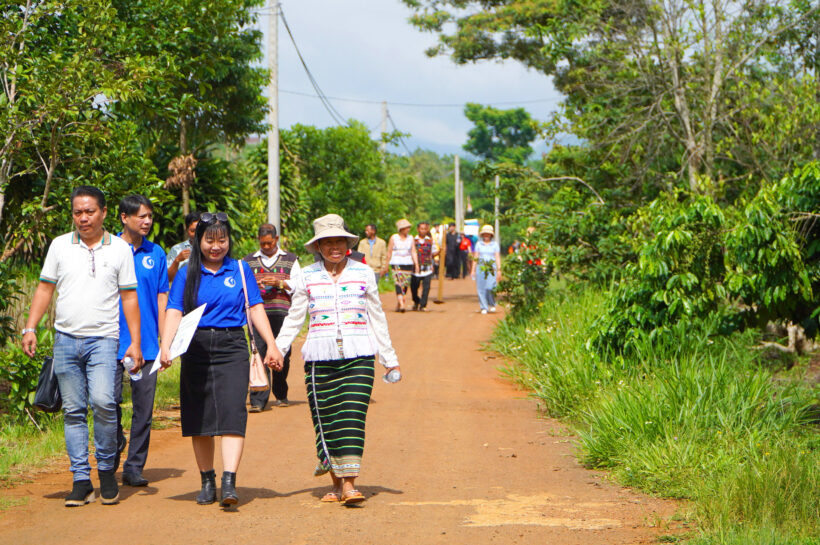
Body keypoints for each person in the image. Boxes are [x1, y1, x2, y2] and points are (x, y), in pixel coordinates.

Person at [22, 186, 142, 507]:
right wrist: (30, 327)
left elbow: (129, 297)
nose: (83, 218)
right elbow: (45, 288)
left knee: (104, 403)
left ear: (103, 212)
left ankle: (105, 471)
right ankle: (80, 479)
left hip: (104, 340)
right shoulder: (60, 246)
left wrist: (136, 343)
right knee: (73, 411)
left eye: (89, 212)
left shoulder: (119, 249)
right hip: (65, 340)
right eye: (78, 212)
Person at [275, 213, 400, 505]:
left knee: (353, 416)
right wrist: (277, 349)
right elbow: (295, 318)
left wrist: (389, 358)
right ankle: (336, 483)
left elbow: (377, 317)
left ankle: (349, 484)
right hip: (319, 360)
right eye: (327, 242)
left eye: (339, 241)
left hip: (359, 356)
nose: (334, 247)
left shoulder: (363, 273)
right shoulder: (306, 275)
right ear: (318, 246)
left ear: (348, 243)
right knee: (328, 420)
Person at [160, 212, 283, 507]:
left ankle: (229, 482)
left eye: (222, 240)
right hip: (196, 347)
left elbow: (255, 308)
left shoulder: (240, 269)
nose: (216, 246)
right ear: (198, 240)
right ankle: (207, 480)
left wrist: (272, 345)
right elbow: (174, 310)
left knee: (231, 413)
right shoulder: (189, 273)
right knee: (199, 417)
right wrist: (166, 347)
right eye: (209, 240)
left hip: (232, 347)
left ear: (229, 241)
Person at [113, 195, 169, 487]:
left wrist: (165, 341)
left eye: (150, 216)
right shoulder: (108, 249)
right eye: (141, 216)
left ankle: (133, 467)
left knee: (143, 410)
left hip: (146, 344)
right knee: (106, 404)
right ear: (124, 217)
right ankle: (113, 445)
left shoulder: (156, 253)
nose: (147, 221)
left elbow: (162, 298)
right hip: (109, 341)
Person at [243, 223, 301, 411]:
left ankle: (281, 391)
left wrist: (279, 283)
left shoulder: (291, 260)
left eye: (269, 243)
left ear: (276, 239)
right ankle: (258, 400)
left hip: (282, 314)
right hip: (258, 314)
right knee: (258, 352)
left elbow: (299, 285)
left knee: (282, 352)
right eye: (263, 243)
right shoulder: (248, 261)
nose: (266, 247)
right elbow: (242, 285)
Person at [386, 218, 418, 312]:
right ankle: (402, 303)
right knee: (398, 282)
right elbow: (389, 251)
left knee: (404, 284)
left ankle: (400, 302)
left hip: (408, 263)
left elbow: (413, 251)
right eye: (406, 228)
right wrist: (387, 264)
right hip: (396, 262)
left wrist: (416, 264)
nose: (408, 229)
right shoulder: (394, 237)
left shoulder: (411, 238)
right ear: (401, 229)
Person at [471, 225, 502, 314]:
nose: (486, 235)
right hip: (481, 267)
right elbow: (476, 257)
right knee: (481, 288)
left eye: (488, 234)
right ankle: (483, 307)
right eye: (485, 234)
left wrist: (499, 269)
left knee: (490, 287)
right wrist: (473, 269)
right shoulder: (478, 244)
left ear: (491, 235)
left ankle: (492, 303)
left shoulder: (495, 244)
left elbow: (497, 257)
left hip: (491, 267)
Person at [410, 221, 439, 311]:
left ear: (427, 230)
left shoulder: (430, 241)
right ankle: (416, 300)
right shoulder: (413, 240)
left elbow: (433, 253)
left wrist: (440, 251)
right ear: (418, 229)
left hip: (427, 267)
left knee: (426, 287)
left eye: (425, 229)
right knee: (414, 287)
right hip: (415, 268)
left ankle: (423, 305)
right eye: (421, 229)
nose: (423, 231)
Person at [166, 211, 200, 283]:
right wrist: (177, 260)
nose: (196, 234)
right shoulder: (177, 249)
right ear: (187, 230)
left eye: (199, 230)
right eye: (193, 231)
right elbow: (168, 278)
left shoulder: (211, 249)